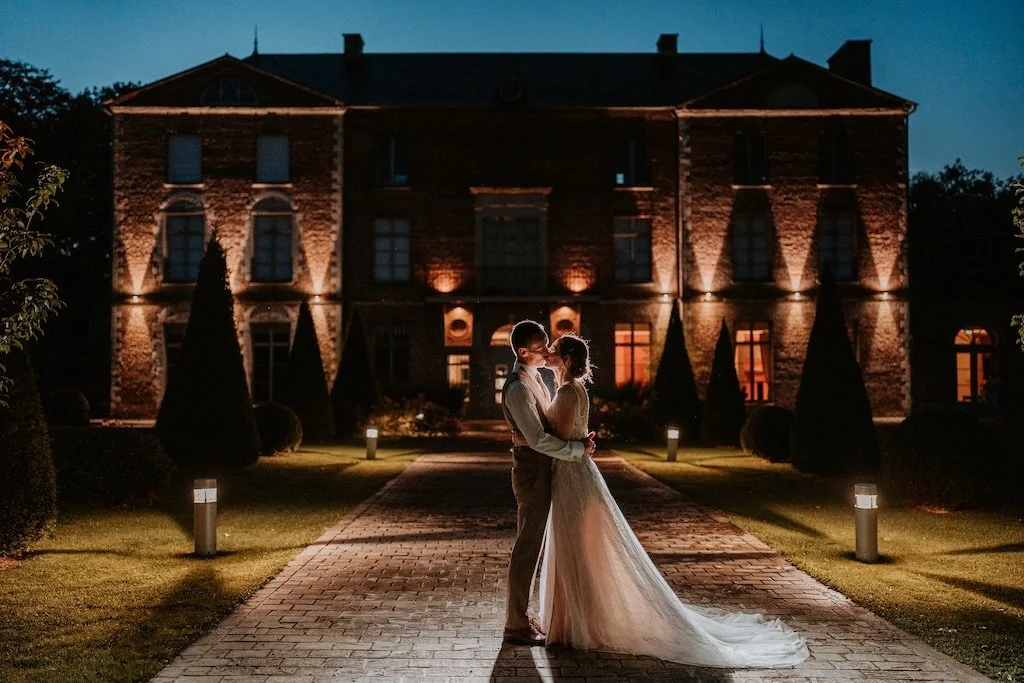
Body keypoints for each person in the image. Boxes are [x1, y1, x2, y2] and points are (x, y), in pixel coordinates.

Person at [537, 333, 809, 668]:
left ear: (564, 358)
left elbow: (558, 438)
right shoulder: (574, 389)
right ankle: (572, 620)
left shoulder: (566, 391)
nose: (546, 352)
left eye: (553, 349)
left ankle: (574, 623)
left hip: (571, 477)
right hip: (576, 474)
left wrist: (531, 433)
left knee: (574, 548)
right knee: (580, 549)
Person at [501, 320, 596, 646]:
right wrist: (576, 449)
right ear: (525, 352)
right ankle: (515, 624)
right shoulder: (517, 387)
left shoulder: (535, 378)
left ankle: (522, 616)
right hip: (532, 472)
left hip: (547, 469)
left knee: (536, 543)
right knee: (528, 545)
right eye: (542, 348)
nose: (548, 351)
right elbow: (538, 439)